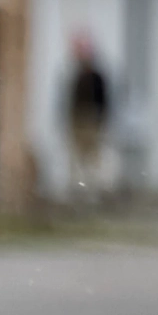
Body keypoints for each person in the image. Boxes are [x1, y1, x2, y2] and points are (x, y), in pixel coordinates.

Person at [66, 33, 115, 197]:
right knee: (78, 158)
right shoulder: (76, 75)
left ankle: (95, 189)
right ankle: (79, 189)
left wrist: (101, 120)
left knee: (94, 158)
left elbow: (103, 100)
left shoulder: (96, 77)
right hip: (78, 121)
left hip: (92, 121)